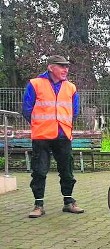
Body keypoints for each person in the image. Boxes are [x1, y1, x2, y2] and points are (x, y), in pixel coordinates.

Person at [22, 55, 83, 218]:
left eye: (67, 66)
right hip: (42, 136)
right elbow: (27, 109)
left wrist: (65, 125)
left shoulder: (71, 87)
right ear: (50, 67)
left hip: (63, 135)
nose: (66, 70)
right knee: (39, 171)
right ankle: (38, 204)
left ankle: (69, 202)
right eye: (61, 66)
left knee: (67, 170)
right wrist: (39, 125)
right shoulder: (35, 84)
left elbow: (74, 111)